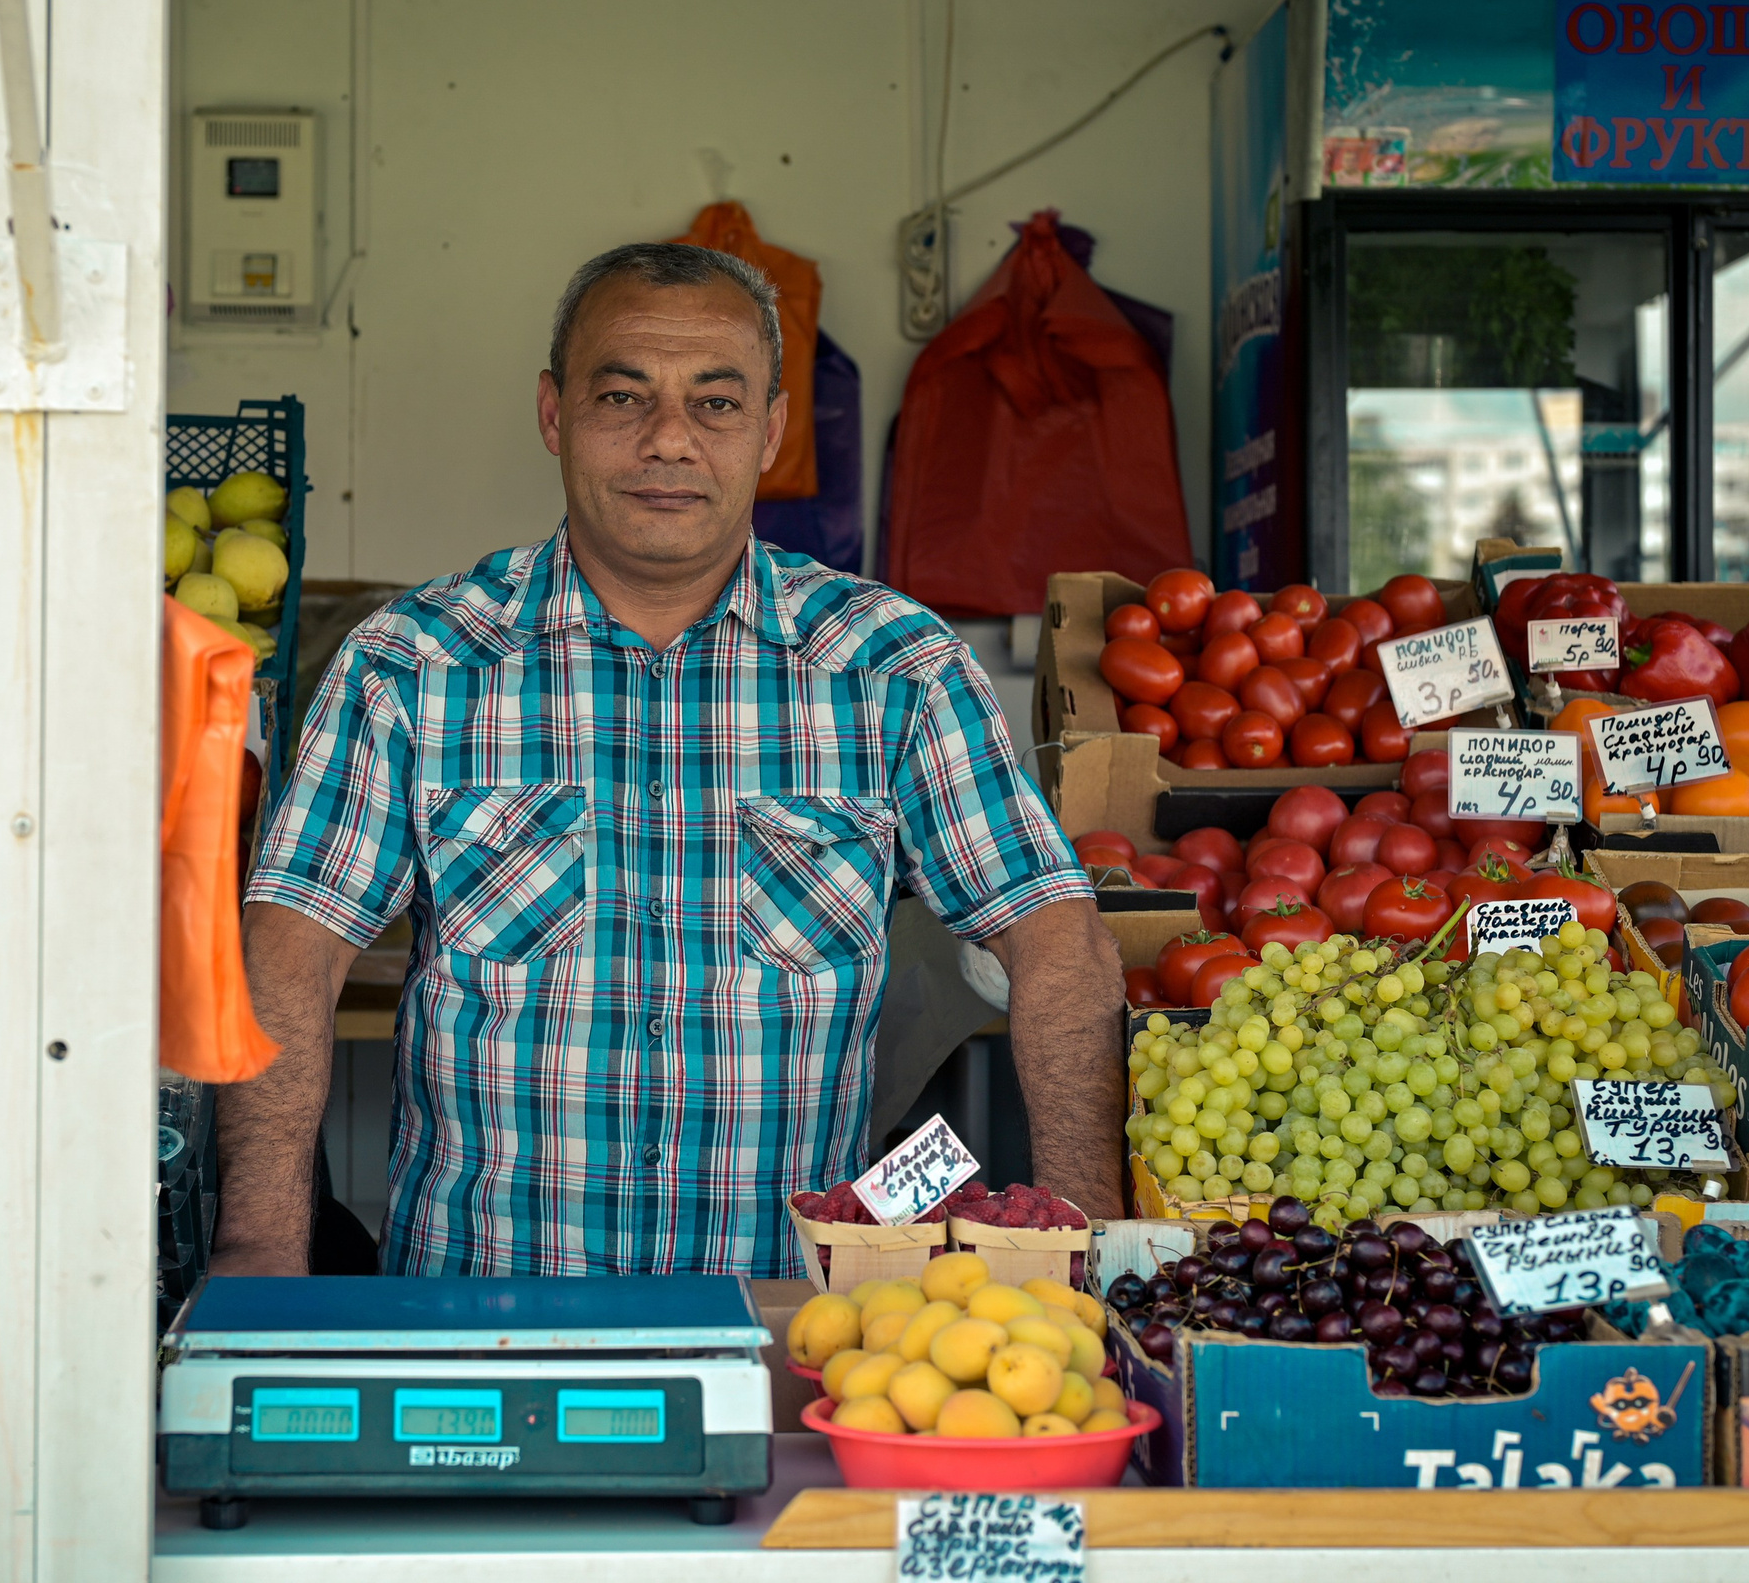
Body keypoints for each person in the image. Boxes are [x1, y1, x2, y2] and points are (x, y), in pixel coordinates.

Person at [211, 243, 1124, 1278]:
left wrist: (1086, 1253)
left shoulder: (893, 667)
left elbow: (1058, 942)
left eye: (716, 403)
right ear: (554, 414)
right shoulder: (413, 663)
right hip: (479, 1312)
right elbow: (288, 954)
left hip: (792, 1319)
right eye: (622, 397)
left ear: (771, 431)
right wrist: (260, 1255)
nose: (669, 441)